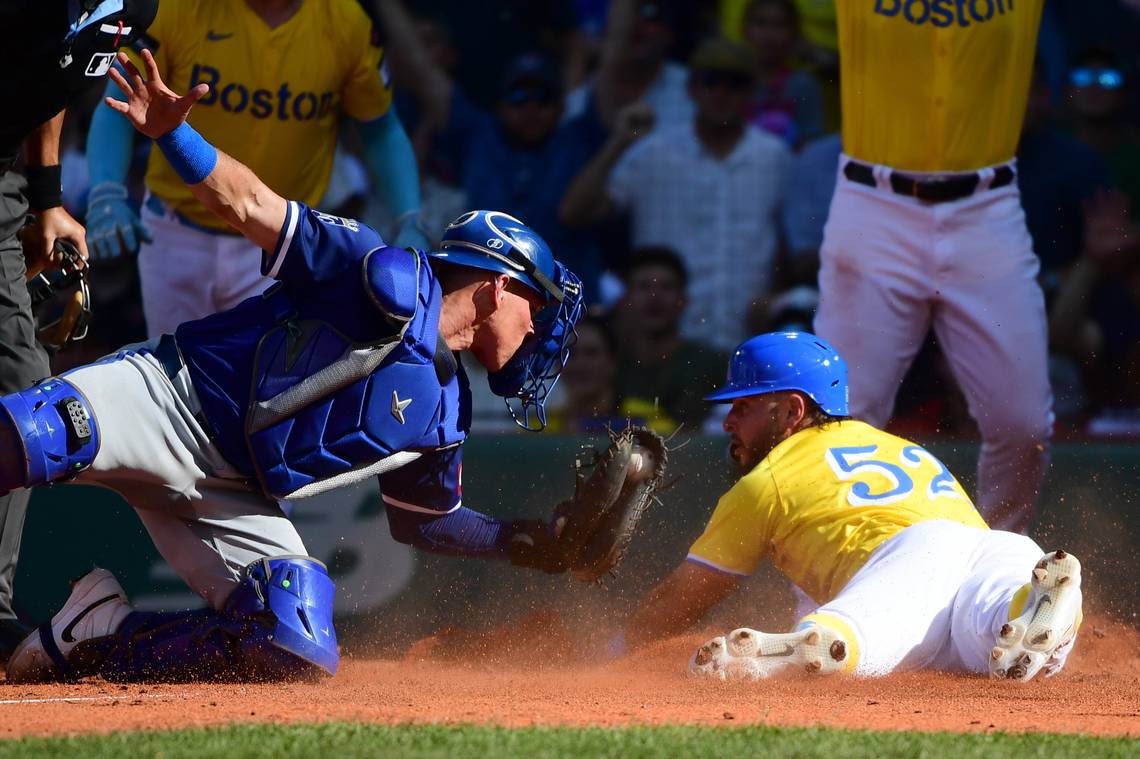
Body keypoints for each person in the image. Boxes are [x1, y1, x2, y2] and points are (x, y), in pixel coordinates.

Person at [1, 50, 589, 684]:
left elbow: (428, 521)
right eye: (538, 306)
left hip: (231, 492)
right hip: (171, 400)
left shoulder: (447, 406)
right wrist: (173, 133)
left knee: (294, 642)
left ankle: (95, 636)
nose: (538, 329)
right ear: (499, 287)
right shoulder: (370, 267)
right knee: (33, 434)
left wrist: (525, 539)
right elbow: (252, 205)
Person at [617, 332, 1084, 683]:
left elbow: (681, 599)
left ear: (793, 411)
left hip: (907, 562)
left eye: (744, 405)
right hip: (996, 547)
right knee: (999, 639)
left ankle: (803, 646)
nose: (729, 419)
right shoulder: (900, 446)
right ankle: (1030, 601)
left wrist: (614, 653)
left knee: (857, 637)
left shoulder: (768, 479)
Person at [812, 1, 1054, 534]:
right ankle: (826, 596)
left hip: (985, 209)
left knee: (1023, 423)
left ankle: (996, 578)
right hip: (874, 205)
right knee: (844, 417)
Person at [84, 0, 429, 338]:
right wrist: (105, 191)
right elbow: (124, 101)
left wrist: (409, 216)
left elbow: (379, 129)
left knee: (267, 389)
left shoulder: (346, 21)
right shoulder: (178, 7)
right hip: (176, 234)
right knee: (174, 384)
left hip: (279, 242)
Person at [0, 0, 158, 665]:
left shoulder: (136, 5)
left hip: (5, 179)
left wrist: (46, 198)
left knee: (23, 393)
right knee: (20, 387)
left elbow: (52, 84)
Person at [560, 37, 792, 352]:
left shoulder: (775, 156)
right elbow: (575, 212)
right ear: (692, 89)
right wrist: (618, 143)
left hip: (748, 337)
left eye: (734, 84)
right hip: (665, 344)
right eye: (711, 82)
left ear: (751, 92)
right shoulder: (653, 152)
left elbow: (788, 241)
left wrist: (777, 293)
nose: (721, 93)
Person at [373, 0, 608, 298]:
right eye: (519, 96)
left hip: (566, 309)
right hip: (486, 304)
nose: (532, 108)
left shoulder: (576, 138)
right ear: (499, 105)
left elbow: (613, 65)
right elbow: (423, 72)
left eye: (543, 97)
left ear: (561, 106)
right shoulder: (478, 137)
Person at [612, 248, 726, 433]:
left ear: (684, 300)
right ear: (626, 300)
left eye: (666, 287)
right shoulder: (607, 365)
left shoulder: (714, 365)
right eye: (643, 286)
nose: (654, 297)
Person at [739, 0, 825, 149]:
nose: (769, 35)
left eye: (779, 25)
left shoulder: (803, 85)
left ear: (794, 32)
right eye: (761, 23)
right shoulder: (730, 82)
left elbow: (811, 147)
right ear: (745, 29)